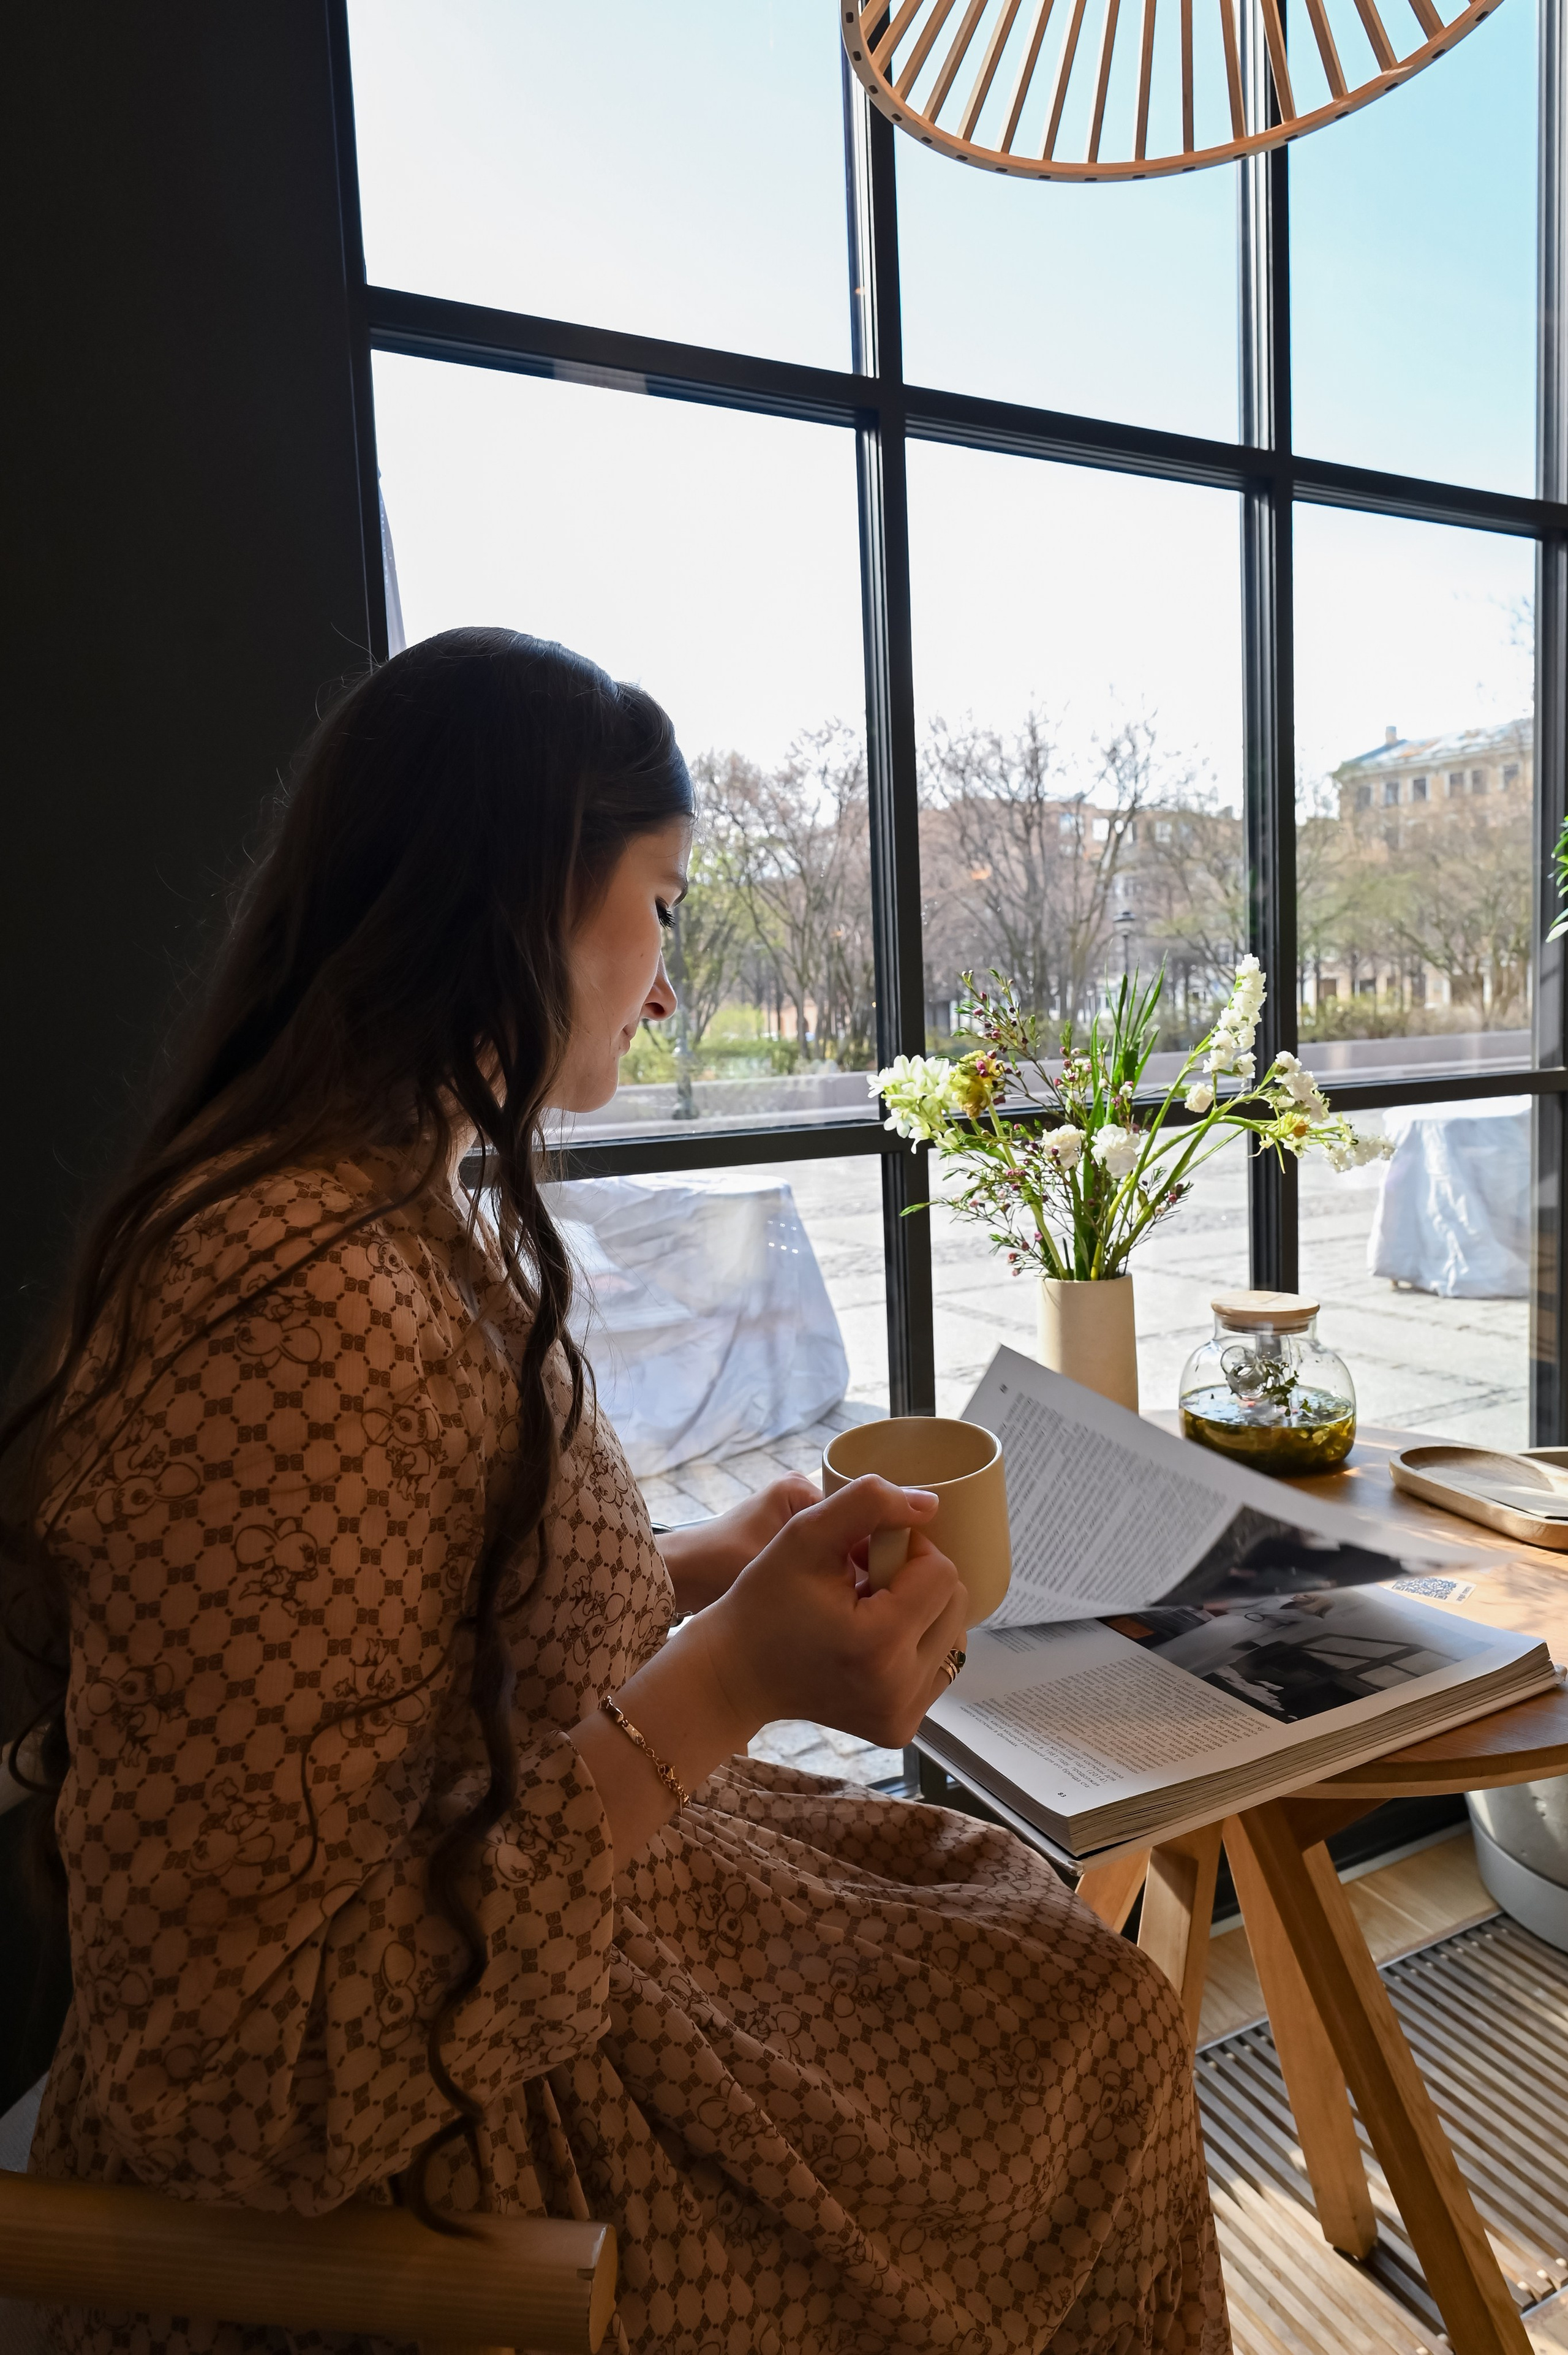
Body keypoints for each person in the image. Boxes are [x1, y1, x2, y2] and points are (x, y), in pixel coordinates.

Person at [1, 630, 1228, 2355]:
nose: (665, 986)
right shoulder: (282, 1312)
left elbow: (398, 1637)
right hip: (461, 2133)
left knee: (1047, 1949)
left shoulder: (369, 1210)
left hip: (568, 1943)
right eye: (659, 905)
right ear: (512, 905)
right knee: (1087, 2044)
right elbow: (246, 2080)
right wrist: (729, 1677)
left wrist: (692, 1572)